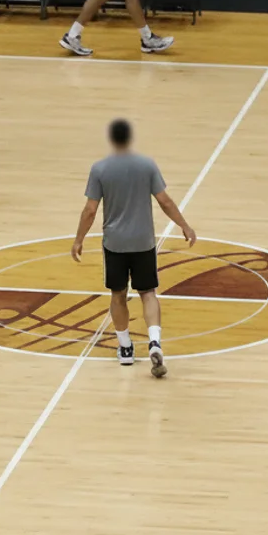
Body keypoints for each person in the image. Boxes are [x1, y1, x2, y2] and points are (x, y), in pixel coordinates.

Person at [70, 119, 196, 378]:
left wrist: (79, 239)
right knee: (148, 293)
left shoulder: (100, 169)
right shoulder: (146, 165)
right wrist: (184, 225)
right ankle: (154, 342)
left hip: (115, 243)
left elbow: (90, 210)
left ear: (111, 139)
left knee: (118, 294)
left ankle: (125, 348)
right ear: (129, 138)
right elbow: (165, 201)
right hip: (143, 242)